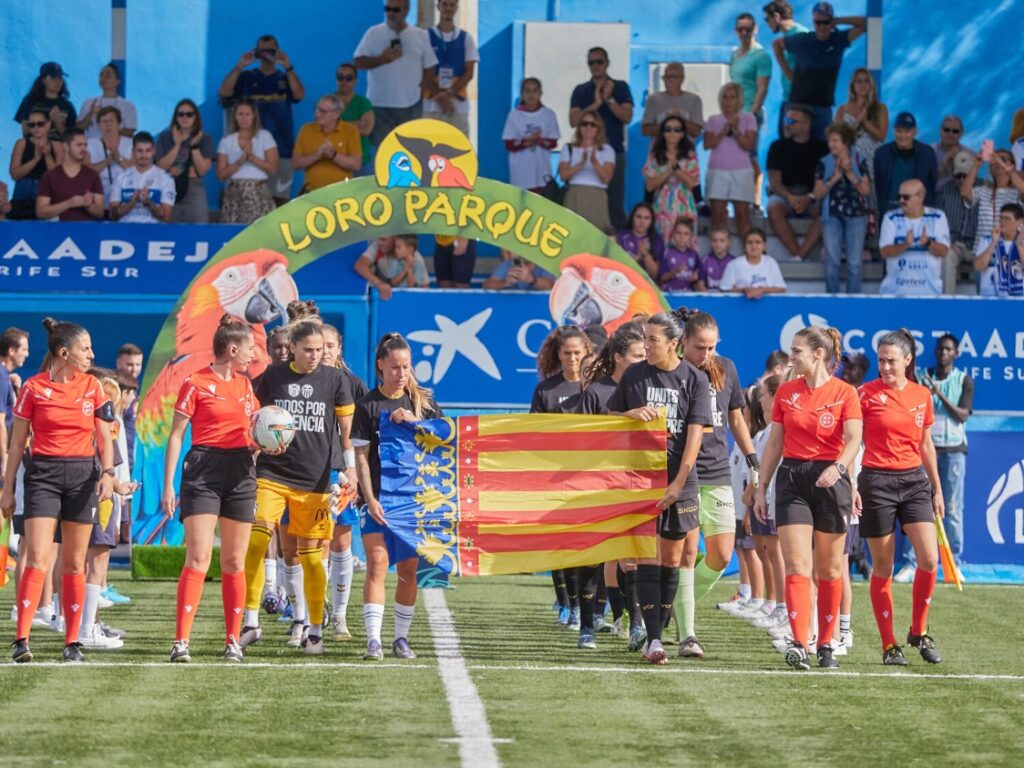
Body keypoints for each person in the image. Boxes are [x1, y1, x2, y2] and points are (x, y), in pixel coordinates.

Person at [240, 316, 356, 657]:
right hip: (272, 475)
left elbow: (346, 430)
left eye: (320, 350)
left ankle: (315, 631)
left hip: (315, 480)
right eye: (309, 350)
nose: (316, 355)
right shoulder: (273, 377)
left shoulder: (336, 379)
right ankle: (249, 621)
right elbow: (249, 415)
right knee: (259, 538)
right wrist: (255, 442)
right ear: (291, 348)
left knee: (312, 557)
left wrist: (348, 470)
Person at [2, 318, 115, 663]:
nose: (91, 354)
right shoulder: (34, 388)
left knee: (74, 563)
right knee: (35, 558)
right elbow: (18, 443)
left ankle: (72, 643)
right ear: (64, 353)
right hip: (43, 477)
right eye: (85, 348)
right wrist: (7, 490)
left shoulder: (93, 387)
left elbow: (104, 437)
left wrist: (108, 473)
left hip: (83, 478)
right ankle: (22, 640)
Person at [753, 325, 862, 670]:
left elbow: (853, 440)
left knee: (829, 570)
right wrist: (761, 486)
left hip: (832, 481)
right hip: (792, 480)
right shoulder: (786, 392)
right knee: (797, 565)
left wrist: (840, 469)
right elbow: (774, 443)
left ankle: (827, 643)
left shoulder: (845, 393)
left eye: (797, 351)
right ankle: (800, 640)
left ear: (818, 354)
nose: (791, 357)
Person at [609, 311, 712, 665]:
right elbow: (609, 420)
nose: (645, 346)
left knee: (673, 561)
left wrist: (678, 484)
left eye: (652, 340)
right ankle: (654, 638)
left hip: (680, 479)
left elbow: (695, 438)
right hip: (640, 477)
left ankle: (660, 624)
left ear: (673, 343)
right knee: (647, 557)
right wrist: (628, 416)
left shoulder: (695, 379)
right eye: (643, 338)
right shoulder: (635, 374)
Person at [161, 317, 259, 663]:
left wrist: (267, 445)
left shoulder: (246, 387)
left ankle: (233, 640)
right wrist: (168, 486)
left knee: (234, 561)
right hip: (203, 470)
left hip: (241, 471)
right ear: (232, 350)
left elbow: (257, 430)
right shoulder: (195, 382)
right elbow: (175, 436)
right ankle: (181, 642)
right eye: (249, 348)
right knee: (199, 558)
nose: (253, 353)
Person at [352, 333, 443, 660]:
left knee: (408, 570)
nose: (401, 373)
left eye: (406, 366)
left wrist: (415, 422)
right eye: (394, 367)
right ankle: (373, 640)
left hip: (412, 500)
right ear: (380, 366)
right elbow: (361, 457)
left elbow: (443, 440)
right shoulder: (367, 404)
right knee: (377, 563)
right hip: (377, 498)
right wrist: (369, 497)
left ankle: (401, 639)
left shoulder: (424, 402)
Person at [858, 330, 945, 666]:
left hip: (914, 482)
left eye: (891, 360)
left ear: (908, 360)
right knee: (884, 567)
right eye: (881, 360)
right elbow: (849, 441)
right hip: (876, 482)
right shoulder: (864, 394)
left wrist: (936, 488)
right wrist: (851, 483)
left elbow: (925, 445)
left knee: (929, 559)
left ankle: (918, 632)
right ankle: (888, 644)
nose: (884, 366)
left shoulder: (922, 395)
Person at [675, 310, 758, 658]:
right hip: (684, 472)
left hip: (718, 471)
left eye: (711, 347)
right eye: (699, 347)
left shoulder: (727, 367)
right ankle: (687, 633)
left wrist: (753, 458)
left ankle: (668, 602)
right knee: (688, 552)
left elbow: (736, 416)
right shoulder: (673, 371)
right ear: (682, 343)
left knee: (722, 555)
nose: (705, 354)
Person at [559, 324, 647, 648]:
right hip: (598, 486)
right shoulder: (596, 392)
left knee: (633, 557)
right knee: (592, 556)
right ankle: (586, 626)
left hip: (636, 485)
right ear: (620, 357)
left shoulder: (648, 388)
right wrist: (626, 419)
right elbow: (584, 441)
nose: (644, 359)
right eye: (638, 355)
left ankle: (637, 624)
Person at [531, 326, 593, 629]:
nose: (572, 358)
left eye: (577, 353)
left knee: (585, 546)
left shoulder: (596, 388)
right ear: (558, 354)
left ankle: (586, 605)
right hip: (554, 479)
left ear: (587, 354)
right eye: (566, 353)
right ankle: (566, 604)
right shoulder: (546, 391)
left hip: (589, 478)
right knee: (560, 545)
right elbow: (532, 435)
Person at [897, 334, 972, 581]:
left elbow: (962, 415)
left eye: (948, 349)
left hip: (952, 451)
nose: (942, 353)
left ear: (955, 354)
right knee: (917, 507)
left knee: (951, 509)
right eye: (940, 349)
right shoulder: (921, 378)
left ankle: (953, 564)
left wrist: (937, 392)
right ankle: (910, 563)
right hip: (922, 450)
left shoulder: (963, 380)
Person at [321, 323, 368, 640]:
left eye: (329, 345)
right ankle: (313, 613)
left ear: (339, 349)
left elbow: (360, 433)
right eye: (318, 345)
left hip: (341, 474)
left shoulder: (353, 384)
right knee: (313, 545)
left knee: (341, 543)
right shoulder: (302, 382)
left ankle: (339, 617)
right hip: (308, 476)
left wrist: (354, 471)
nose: (323, 351)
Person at [219, 34, 305, 205]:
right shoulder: (246, 77)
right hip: (247, 150)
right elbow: (224, 92)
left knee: (279, 203)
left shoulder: (284, 77)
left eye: (270, 51)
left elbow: (299, 95)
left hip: (282, 148)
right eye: (262, 51)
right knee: (245, 200)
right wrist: (239, 66)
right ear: (256, 52)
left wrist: (288, 66)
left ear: (277, 51)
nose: (266, 55)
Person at [774, 3, 866, 140]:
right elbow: (777, 45)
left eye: (826, 22)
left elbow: (866, 24)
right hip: (799, 104)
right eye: (818, 22)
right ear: (813, 22)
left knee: (822, 149)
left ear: (831, 22)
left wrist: (839, 21)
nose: (822, 26)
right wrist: (787, 71)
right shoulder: (802, 40)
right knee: (792, 147)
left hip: (822, 106)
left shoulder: (839, 39)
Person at [354, 0, 439, 145]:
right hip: (379, 105)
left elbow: (430, 66)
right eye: (388, 9)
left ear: (407, 10)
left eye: (396, 10)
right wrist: (382, 59)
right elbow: (358, 62)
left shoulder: (421, 35)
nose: (391, 14)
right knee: (382, 151)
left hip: (411, 104)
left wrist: (421, 89)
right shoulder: (373, 33)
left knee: (410, 150)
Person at [569, 47, 634, 230]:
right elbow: (574, 121)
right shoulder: (581, 90)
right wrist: (596, 103)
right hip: (584, 153)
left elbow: (627, 117)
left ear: (607, 63)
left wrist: (609, 100)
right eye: (591, 62)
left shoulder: (620, 87)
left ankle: (616, 253)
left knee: (614, 206)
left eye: (599, 62)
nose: (595, 66)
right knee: (582, 205)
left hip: (613, 152)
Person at [813, 123, 871, 293]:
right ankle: (832, 299)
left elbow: (865, 190)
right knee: (832, 262)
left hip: (856, 214)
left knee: (854, 263)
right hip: (831, 214)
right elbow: (817, 193)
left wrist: (850, 174)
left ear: (846, 141)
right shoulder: (823, 163)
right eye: (830, 140)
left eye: (836, 140)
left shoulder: (859, 160)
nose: (832, 144)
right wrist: (834, 178)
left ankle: (853, 300)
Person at [767, 105, 828, 259]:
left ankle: (800, 255)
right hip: (785, 196)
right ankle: (798, 254)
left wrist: (809, 198)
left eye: (791, 120)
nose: (786, 124)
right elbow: (774, 181)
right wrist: (789, 197)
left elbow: (822, 181)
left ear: (806, 125)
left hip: (811, 196)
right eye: (785, 119)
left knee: (827, 211)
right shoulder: (777, 147)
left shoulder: (821, 148)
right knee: (773, 208)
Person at [960, 149, 1024, 296]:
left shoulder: (1016, 193)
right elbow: (965, 193)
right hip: (984, 251)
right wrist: (976, 165)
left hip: (1013, 252)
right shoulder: (983, 190)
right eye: (994, 159)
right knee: (984, 300)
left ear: (1013, 165)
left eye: (1004, 159)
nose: (997, 161)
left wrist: (1007, 168)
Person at [704, 82, 759, 238]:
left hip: (741, 172)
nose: (728, 101)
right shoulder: (713, 119)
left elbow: (748, 145)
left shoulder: (748, 118)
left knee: (742, 216)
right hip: (717, 171)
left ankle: (750, 257)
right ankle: (718, 258)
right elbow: (707, 144)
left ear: (739, 100)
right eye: (725, 98)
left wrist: (735, 131)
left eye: (732, 98)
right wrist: (723, 132)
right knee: (718, 216)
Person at [878, 179, 950, 296]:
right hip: (894, 293)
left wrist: (928, 244)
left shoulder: (938, 217)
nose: (901, 201)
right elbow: (884, 252)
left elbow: (944, 251)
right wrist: (905, 245)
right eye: (899, 197)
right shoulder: (890, 217)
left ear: (920, 197)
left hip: (929, 294)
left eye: (906, 197)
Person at [216, 99, 279, 224]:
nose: (244, 118)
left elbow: (273, 168)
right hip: (235, 195)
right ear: (235, 116)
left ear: (254, 116)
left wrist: (251, 157)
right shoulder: (227, 141)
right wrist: (240, 161)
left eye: (247, 114)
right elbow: (220, 174)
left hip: (258, 193)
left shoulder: (265, 136)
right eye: (240, 114)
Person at [422, 0, 479, 135]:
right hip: (431, 104)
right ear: (438, 7)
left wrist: (449, 94)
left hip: (457, 105)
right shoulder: (426, 36)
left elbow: (469, 73)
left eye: (452, 5)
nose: (448, 8)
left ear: (456, 8)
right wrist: (439, 96)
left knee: (458, 149)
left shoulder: (466, 38)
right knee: (429, 148)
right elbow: (421, 70)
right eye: (445, 4)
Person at [155, 99, 215, 223]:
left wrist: (194, 146)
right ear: (175, 117)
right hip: (169, 186)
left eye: (189, 114)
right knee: (170, 229)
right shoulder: (165, 137)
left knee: (199, 227)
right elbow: (161, 165)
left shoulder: (204, 139)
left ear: (195, 117)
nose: (185, 117)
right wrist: (177, 145)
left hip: (194, 187)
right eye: (181, 114)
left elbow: (203, 170)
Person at [557, 109, 616, 234]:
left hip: (596, 196)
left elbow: (606, 178)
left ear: (598, 128)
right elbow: (563, 175)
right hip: (575, 195)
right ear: (579, 127)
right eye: (584, 123)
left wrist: (594, 162)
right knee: (573, 234)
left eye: (592, 124)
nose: (588, 127)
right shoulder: (569, 148)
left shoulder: (607, 149)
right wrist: (581, 164)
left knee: (596, 234)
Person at [833, 69, 888, 201]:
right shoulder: (842, 110)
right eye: (859, 81)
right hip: (850, 162)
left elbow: (881, 136)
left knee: (873, 203)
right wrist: (857, 121)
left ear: (871, 85)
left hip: (873, 162)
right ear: (853, 85)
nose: (863, 85)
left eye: (866, 81)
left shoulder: (880, 108)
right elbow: (838, 140)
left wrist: (865, 121)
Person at [643, 116, 700, 244]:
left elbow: (692, 183)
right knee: (661, 245)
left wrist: (676, 168)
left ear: (683, 133)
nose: (672, 133)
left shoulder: (690, 156)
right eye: (668, 129)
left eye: (677, 129)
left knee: (685, 246)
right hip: (662, 207)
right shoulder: (654, 156)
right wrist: (667, 171)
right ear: (662, 133)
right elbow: (649, 186)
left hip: (685, 207)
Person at [292, 94, 362, 192]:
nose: (317, 114)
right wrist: (316, 155)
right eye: (317, 110)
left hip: (342, 193)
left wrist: (333, 155)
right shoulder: (306, 130)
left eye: (323, 112)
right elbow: (295, 164)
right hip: (312, 192)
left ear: (336, 114)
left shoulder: (350, 131)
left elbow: (356, 165)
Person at [502, 77, 559, 192]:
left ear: (540, 93)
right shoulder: (514, 116)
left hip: (542, 176)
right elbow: (509, 144)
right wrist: (527, 141)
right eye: (527, 91)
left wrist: (539, 141)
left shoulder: (548, 115)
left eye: (535, 91)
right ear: (522, 94)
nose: (531, 95)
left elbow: (553, 143)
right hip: (521, 177)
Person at [873, 112, 938, 213]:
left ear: (915, 132)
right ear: (894, 132)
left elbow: (933, 183)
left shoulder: (927, 153)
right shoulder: (881, 153)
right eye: (899, 131)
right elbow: (877, 183)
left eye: (907, 131)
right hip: (890, 206)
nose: (903, 135)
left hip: (917, 206)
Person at [35, 129, 104, 222]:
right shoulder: (50, 176)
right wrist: (69, 203)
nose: (84, 149)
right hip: (58, 232)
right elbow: (41, 212)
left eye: (85, 145)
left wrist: (89, 205)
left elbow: (100, 213)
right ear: (66, 146)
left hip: (87, 232)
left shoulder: (93, 175)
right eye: (79, 145)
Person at [109, 132, 175, 224]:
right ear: (133, 152)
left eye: (148, 150)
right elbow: (112, 215)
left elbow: (166, 217)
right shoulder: (121, 177)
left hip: (154, 232)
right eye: (140, 151)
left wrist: (148, 203)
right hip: (125, 231)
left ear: (154, 151)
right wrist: (131, 204)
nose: (144, 155)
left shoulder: (165, 179)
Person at [7, 109, 62, 220]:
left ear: (48, 124)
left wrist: (47, 156)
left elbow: (58, 178)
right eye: (31, 125)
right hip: (22, 199)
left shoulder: (57, 145)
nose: (36, 128)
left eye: (40, 124)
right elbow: (14, 174)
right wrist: (36, 159)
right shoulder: (21, 143)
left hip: (47, 199)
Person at [763, 1, 808, 134]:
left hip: (798, 100)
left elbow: (805, 71)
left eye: (767, 19)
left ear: (777, 16)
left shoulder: (799, 35)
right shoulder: (788, 36)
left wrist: (779, 56)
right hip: (789, 97)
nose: (767, 23)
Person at [641, 62, 703, 143]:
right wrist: (666, 123)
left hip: (685, 154)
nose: (669, 81)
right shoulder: (654, 99)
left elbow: (696, 132)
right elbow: (645, 130)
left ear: (682, 79)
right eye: (666, 77)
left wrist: (680, 119)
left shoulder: (694, 100)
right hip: (659, 153)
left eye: (673, 77)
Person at [729, 13, 771, 132]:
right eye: (740, 29)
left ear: (755, 29)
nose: (744, 33)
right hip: (734, 113)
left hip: (750, 114)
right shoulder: (735, 55)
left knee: (748, 150)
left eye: (748, 29)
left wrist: (751, 115)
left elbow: (762, 89)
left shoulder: (760, 56)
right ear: (736, 31)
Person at [86, 107, 134, 212]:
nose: (108, 124)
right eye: (104, 121)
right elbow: (86, 171)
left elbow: (137, 170)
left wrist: (119, 159)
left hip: (125, 195)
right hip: (98, 195)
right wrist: (106, 161)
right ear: (98, 125)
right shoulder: (90, 144)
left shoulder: (131, 143)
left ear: (119, 123)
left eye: (111, 120)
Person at [974, 202, 1024, 297]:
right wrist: (993, 243)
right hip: (989, 299)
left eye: (1007, 219)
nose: (1002, 222)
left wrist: (1019, 244)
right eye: (1001, 218)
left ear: (1020, 222)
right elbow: (978, 267)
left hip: (1019, 301)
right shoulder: (987, 240)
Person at [14, 62, 77, 136]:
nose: (58, 81)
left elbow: (73, 137)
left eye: (60, 77)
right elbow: (26, 131)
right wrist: (47, 121)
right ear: (43, 80)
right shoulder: (30, 101)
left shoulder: (67, 105)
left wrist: (59, 125)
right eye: (53, 78)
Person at [720, 228, 787, 298]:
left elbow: (781, 288)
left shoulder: (771, 263)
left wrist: (762, 290)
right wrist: (743, 290)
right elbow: (724, 289)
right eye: (749, 242)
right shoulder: (734, 264)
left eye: (758, 242)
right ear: (744, 246)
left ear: (764, 246)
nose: (753, 246)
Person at [76, 63, 137, 139]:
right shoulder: (89, 102)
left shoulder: (128, 105)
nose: (103, 78)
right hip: (93, 148)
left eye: (108, 76)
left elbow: (130, 132)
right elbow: (78, 129)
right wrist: (91, 114)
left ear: (117, 81)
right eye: (101, 75)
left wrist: (109, 129)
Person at [336, 64, 375, 175]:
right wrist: (356, 124)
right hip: (334, 159)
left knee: (361, 192)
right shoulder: (329, 101)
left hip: (359, 159)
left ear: (355, 80)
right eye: (340, 77)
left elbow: (366, 129)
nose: (344, 81)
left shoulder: (363, 102)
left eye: (349, 78)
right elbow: (324, 127)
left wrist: (338, 126)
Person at [616, 202, 665, 279]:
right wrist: (638, 257)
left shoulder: (657, 241)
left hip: (646, 284)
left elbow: (655, 274)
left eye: (647, 218)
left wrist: (645, 254)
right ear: (632, 218)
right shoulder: (621, 236)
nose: (642, 221)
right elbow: (618, 266)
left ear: (652, 221)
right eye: (638, 217)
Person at [659, 218, 701, 291]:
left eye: (686, 234)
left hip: (688, 294)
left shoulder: (694, 255)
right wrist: (676, 271)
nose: (682, 237)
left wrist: (695, 278)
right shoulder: (667, 253)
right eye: (678, 233)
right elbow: (662, 278)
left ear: (691, 237)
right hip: (670, 293)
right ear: (674, 234)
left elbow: (697, 277)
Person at [482, 252, 555, 291]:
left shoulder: (544, 264)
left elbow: (550, 286)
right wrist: (505, 283)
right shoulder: (508, 264)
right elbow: (487, 285)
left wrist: (531, 279)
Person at [933, 115, 972, 184]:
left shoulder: (970, 154)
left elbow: (971, 184)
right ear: (940, 131)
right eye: (946, 130)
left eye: (955, 131)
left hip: (958, 193)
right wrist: (944, 164)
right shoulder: (929, 151)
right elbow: (923, 178)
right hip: (934, 193)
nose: (950, 134)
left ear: (961, 134)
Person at [697, 225, 736, 291]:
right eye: (715, 240)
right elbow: (700, 285)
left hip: (727, 298)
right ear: (710, 242)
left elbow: (737, 286)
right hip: (710, 298)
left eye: (722, 240)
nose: (718, 244)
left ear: (729, 242)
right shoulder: (705, 261)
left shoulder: (734, 262)